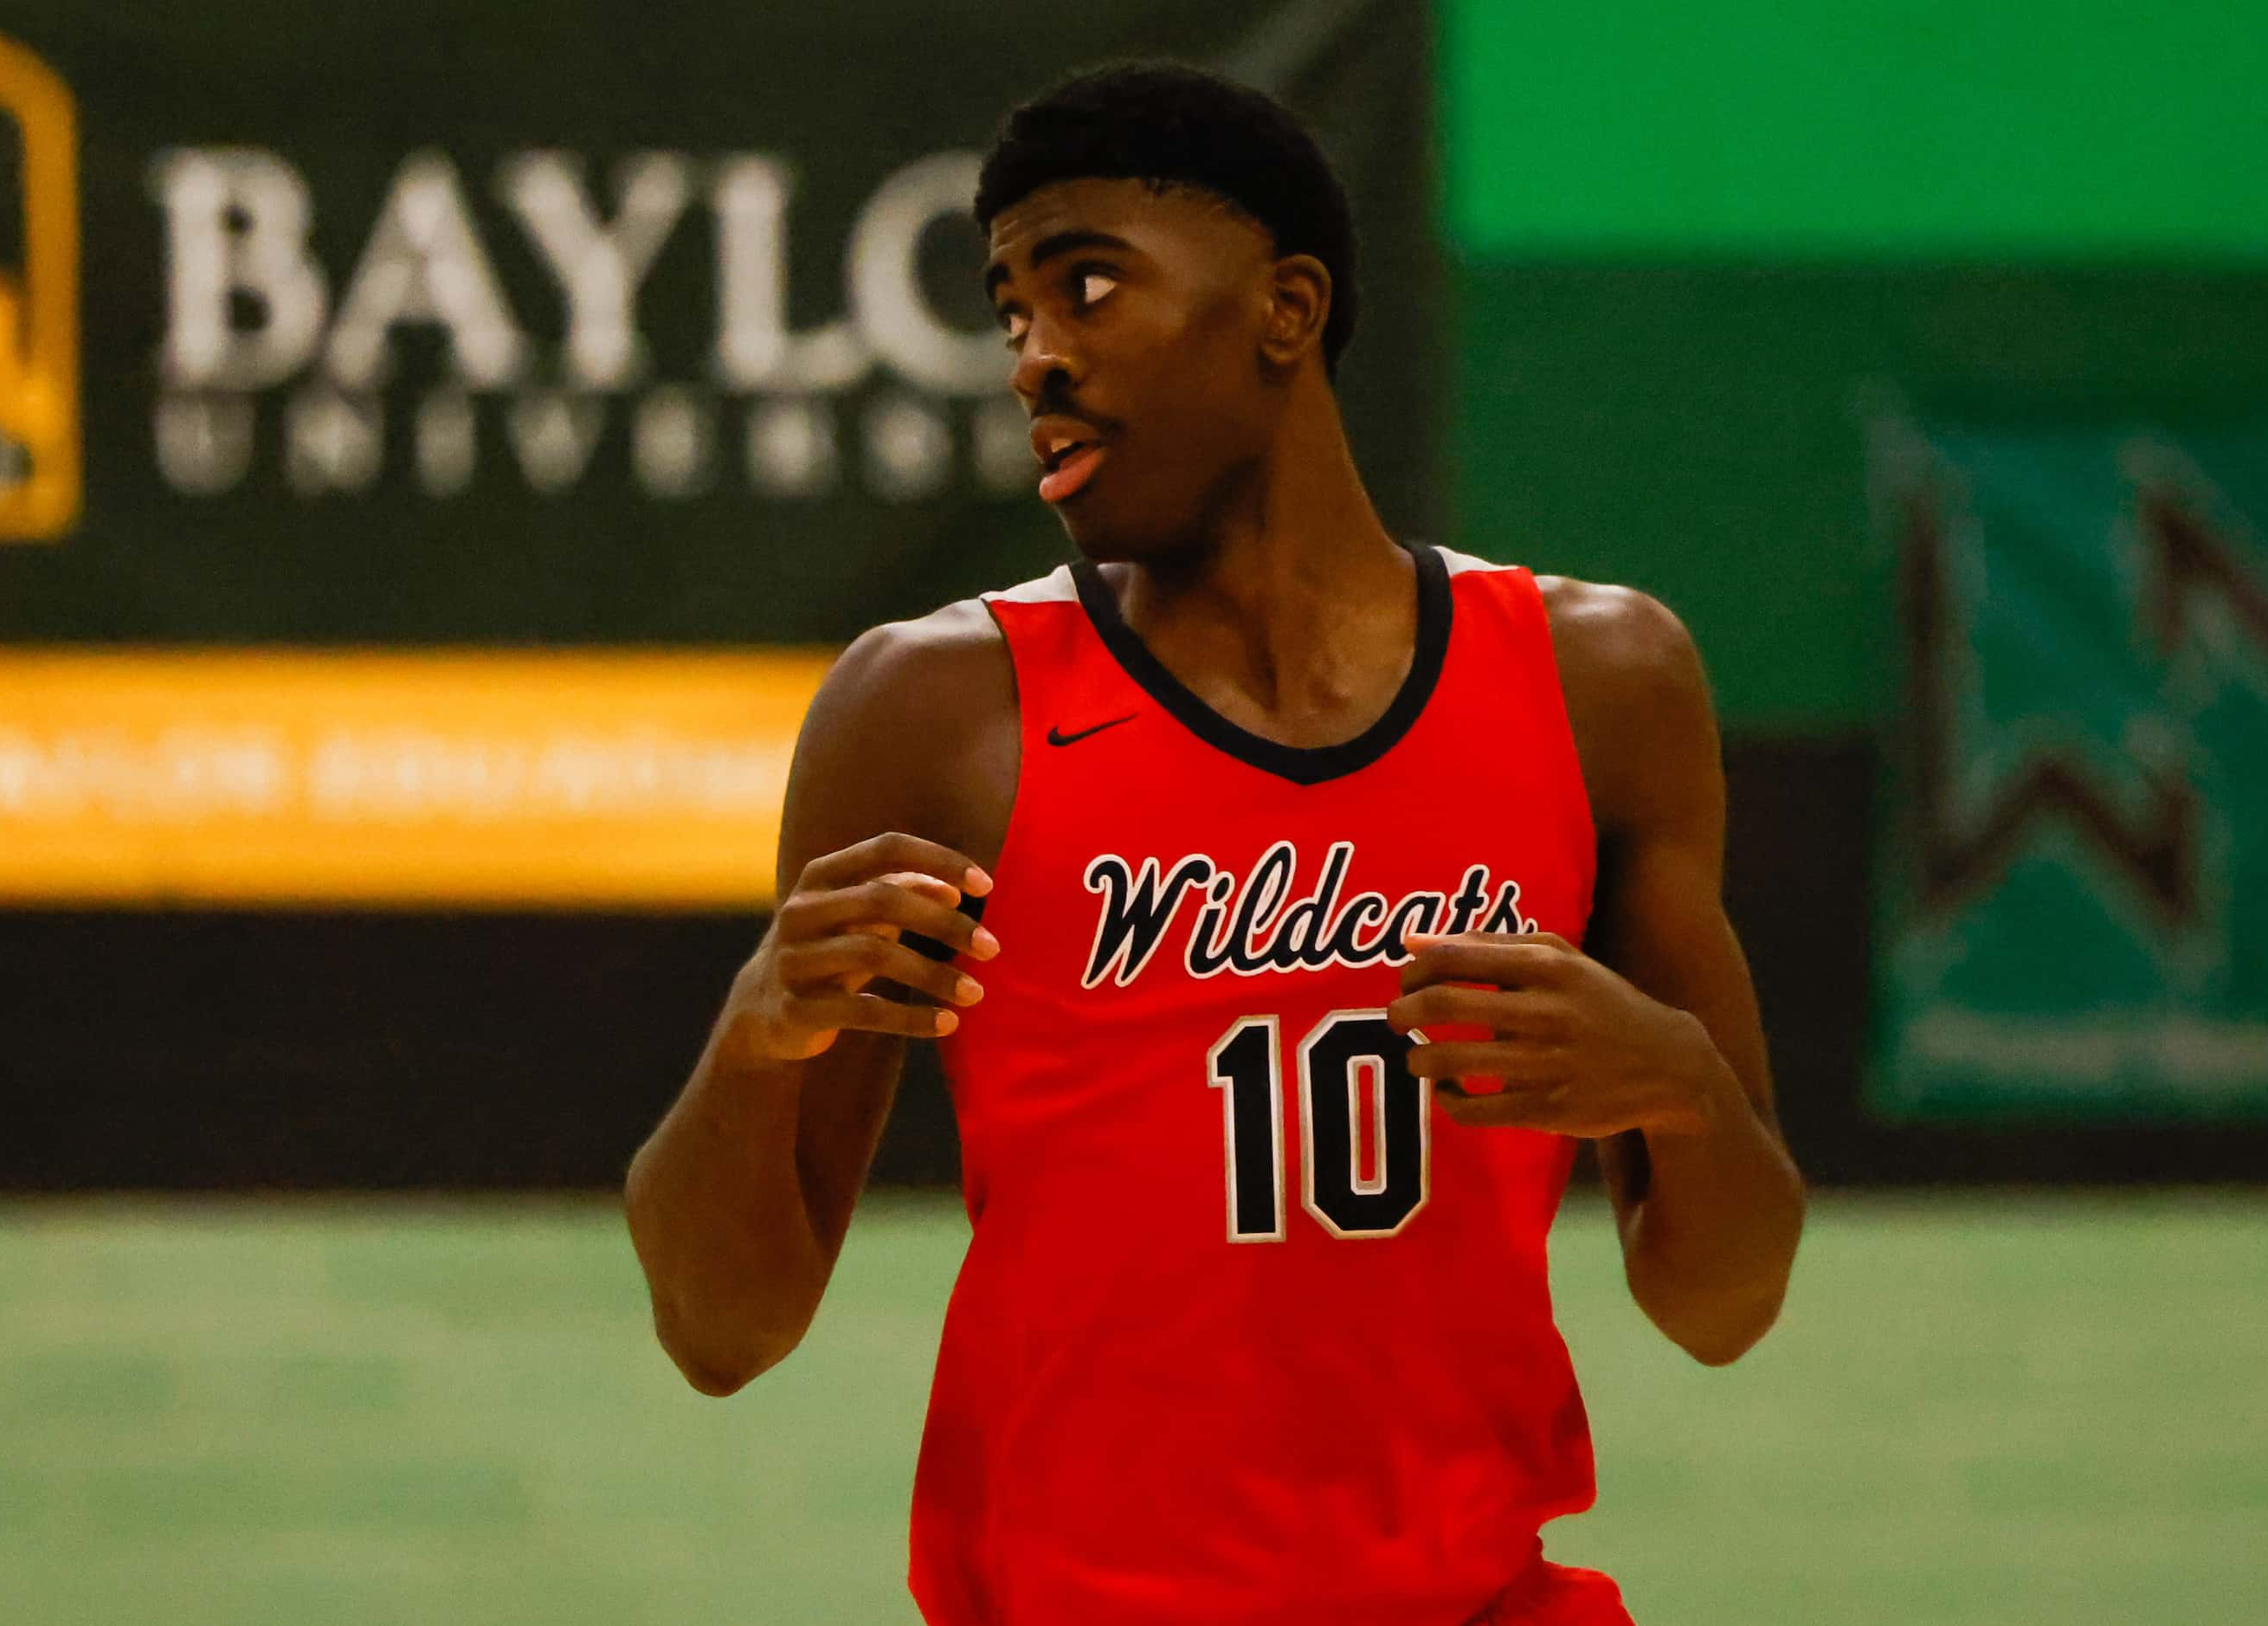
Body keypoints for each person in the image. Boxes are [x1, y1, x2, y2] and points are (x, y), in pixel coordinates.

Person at [623, 61, 1806, 1626]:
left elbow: (1724, 1303)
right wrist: (754, 1039)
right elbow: (724, 1330)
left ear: (1286, 308)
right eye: (1009, 314)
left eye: (1088, 286)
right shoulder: (937, 716)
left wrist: (1679, 1084)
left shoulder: (1599, 682)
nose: (1035, 357)